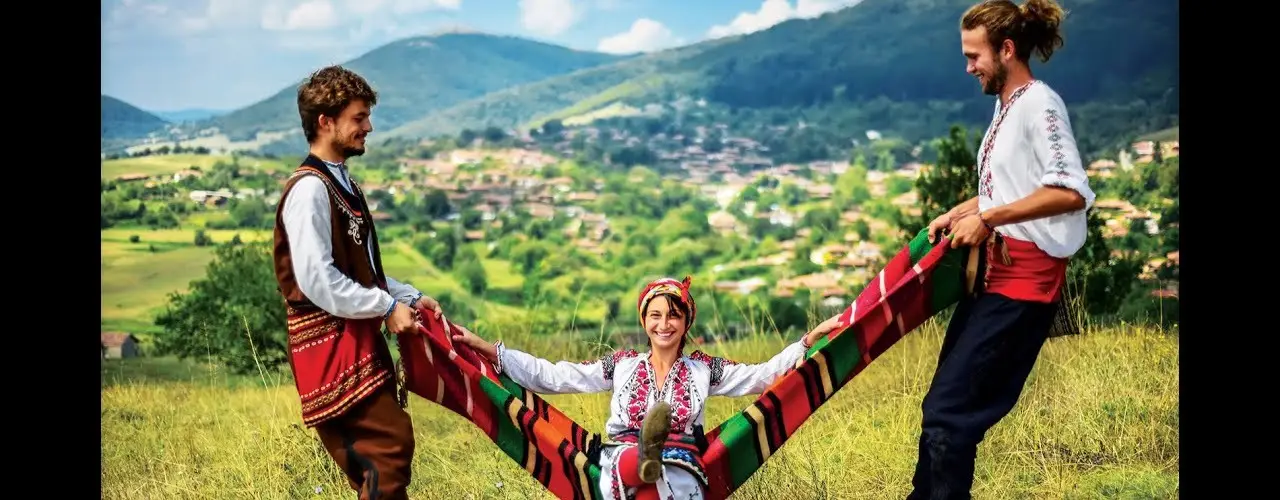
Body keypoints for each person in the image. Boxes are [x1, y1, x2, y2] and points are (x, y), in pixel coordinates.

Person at [910, 1, 1097, 498]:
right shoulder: (1007, 105)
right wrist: (961, 210)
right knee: (940, 409)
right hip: (992, 281)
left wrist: (987, 217)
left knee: (949, 418)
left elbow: (1070, 191)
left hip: (1024, 290)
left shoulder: (1041, 104)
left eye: (975, 56)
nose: (969, 67)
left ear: (1007, 49)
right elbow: (1014, 185)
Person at [449, 277, 838, 500]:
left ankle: (650, 456)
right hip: (620, 459)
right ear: (644, 321)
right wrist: (490, 350)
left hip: (682, 462)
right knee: (630, 471)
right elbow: (553, 376)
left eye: (673, 315)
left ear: (686, 322)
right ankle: (643, 455)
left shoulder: (704, 369)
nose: (664, 323)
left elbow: (764, 376)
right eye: (655, 315)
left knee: (669, 481)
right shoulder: (621, 366)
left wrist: (807, 343)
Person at [272, 65, 445, 500]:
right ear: (325, 122)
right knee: (386, 453)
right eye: (359, 117)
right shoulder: (310, 190)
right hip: (331, 348)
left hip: (352, 338)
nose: (368, 126)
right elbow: (318, 280)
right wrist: (386, 309)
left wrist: (411, 297)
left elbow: (361, 270)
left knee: (382, 462)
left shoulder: (339, 183)